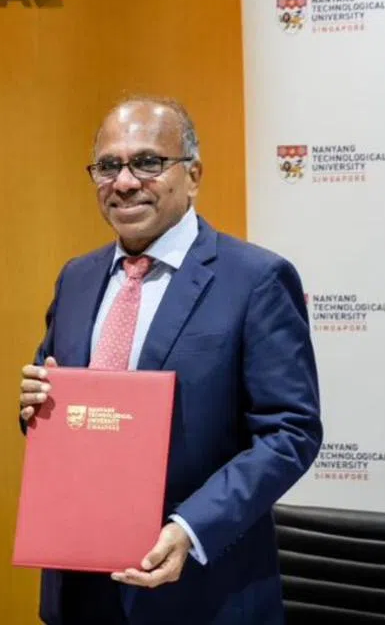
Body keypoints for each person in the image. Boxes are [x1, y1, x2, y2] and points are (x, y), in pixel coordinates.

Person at [19, 97, 322, 624]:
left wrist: (191, 527)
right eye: (108, 166)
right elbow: (60, 404)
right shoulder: (77, 278)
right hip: (81, 588)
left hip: (202, 589)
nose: (125, 181)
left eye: (148, 163)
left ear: (194, 175)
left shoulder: (255, 280)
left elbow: (291, 431)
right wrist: (34, 405)